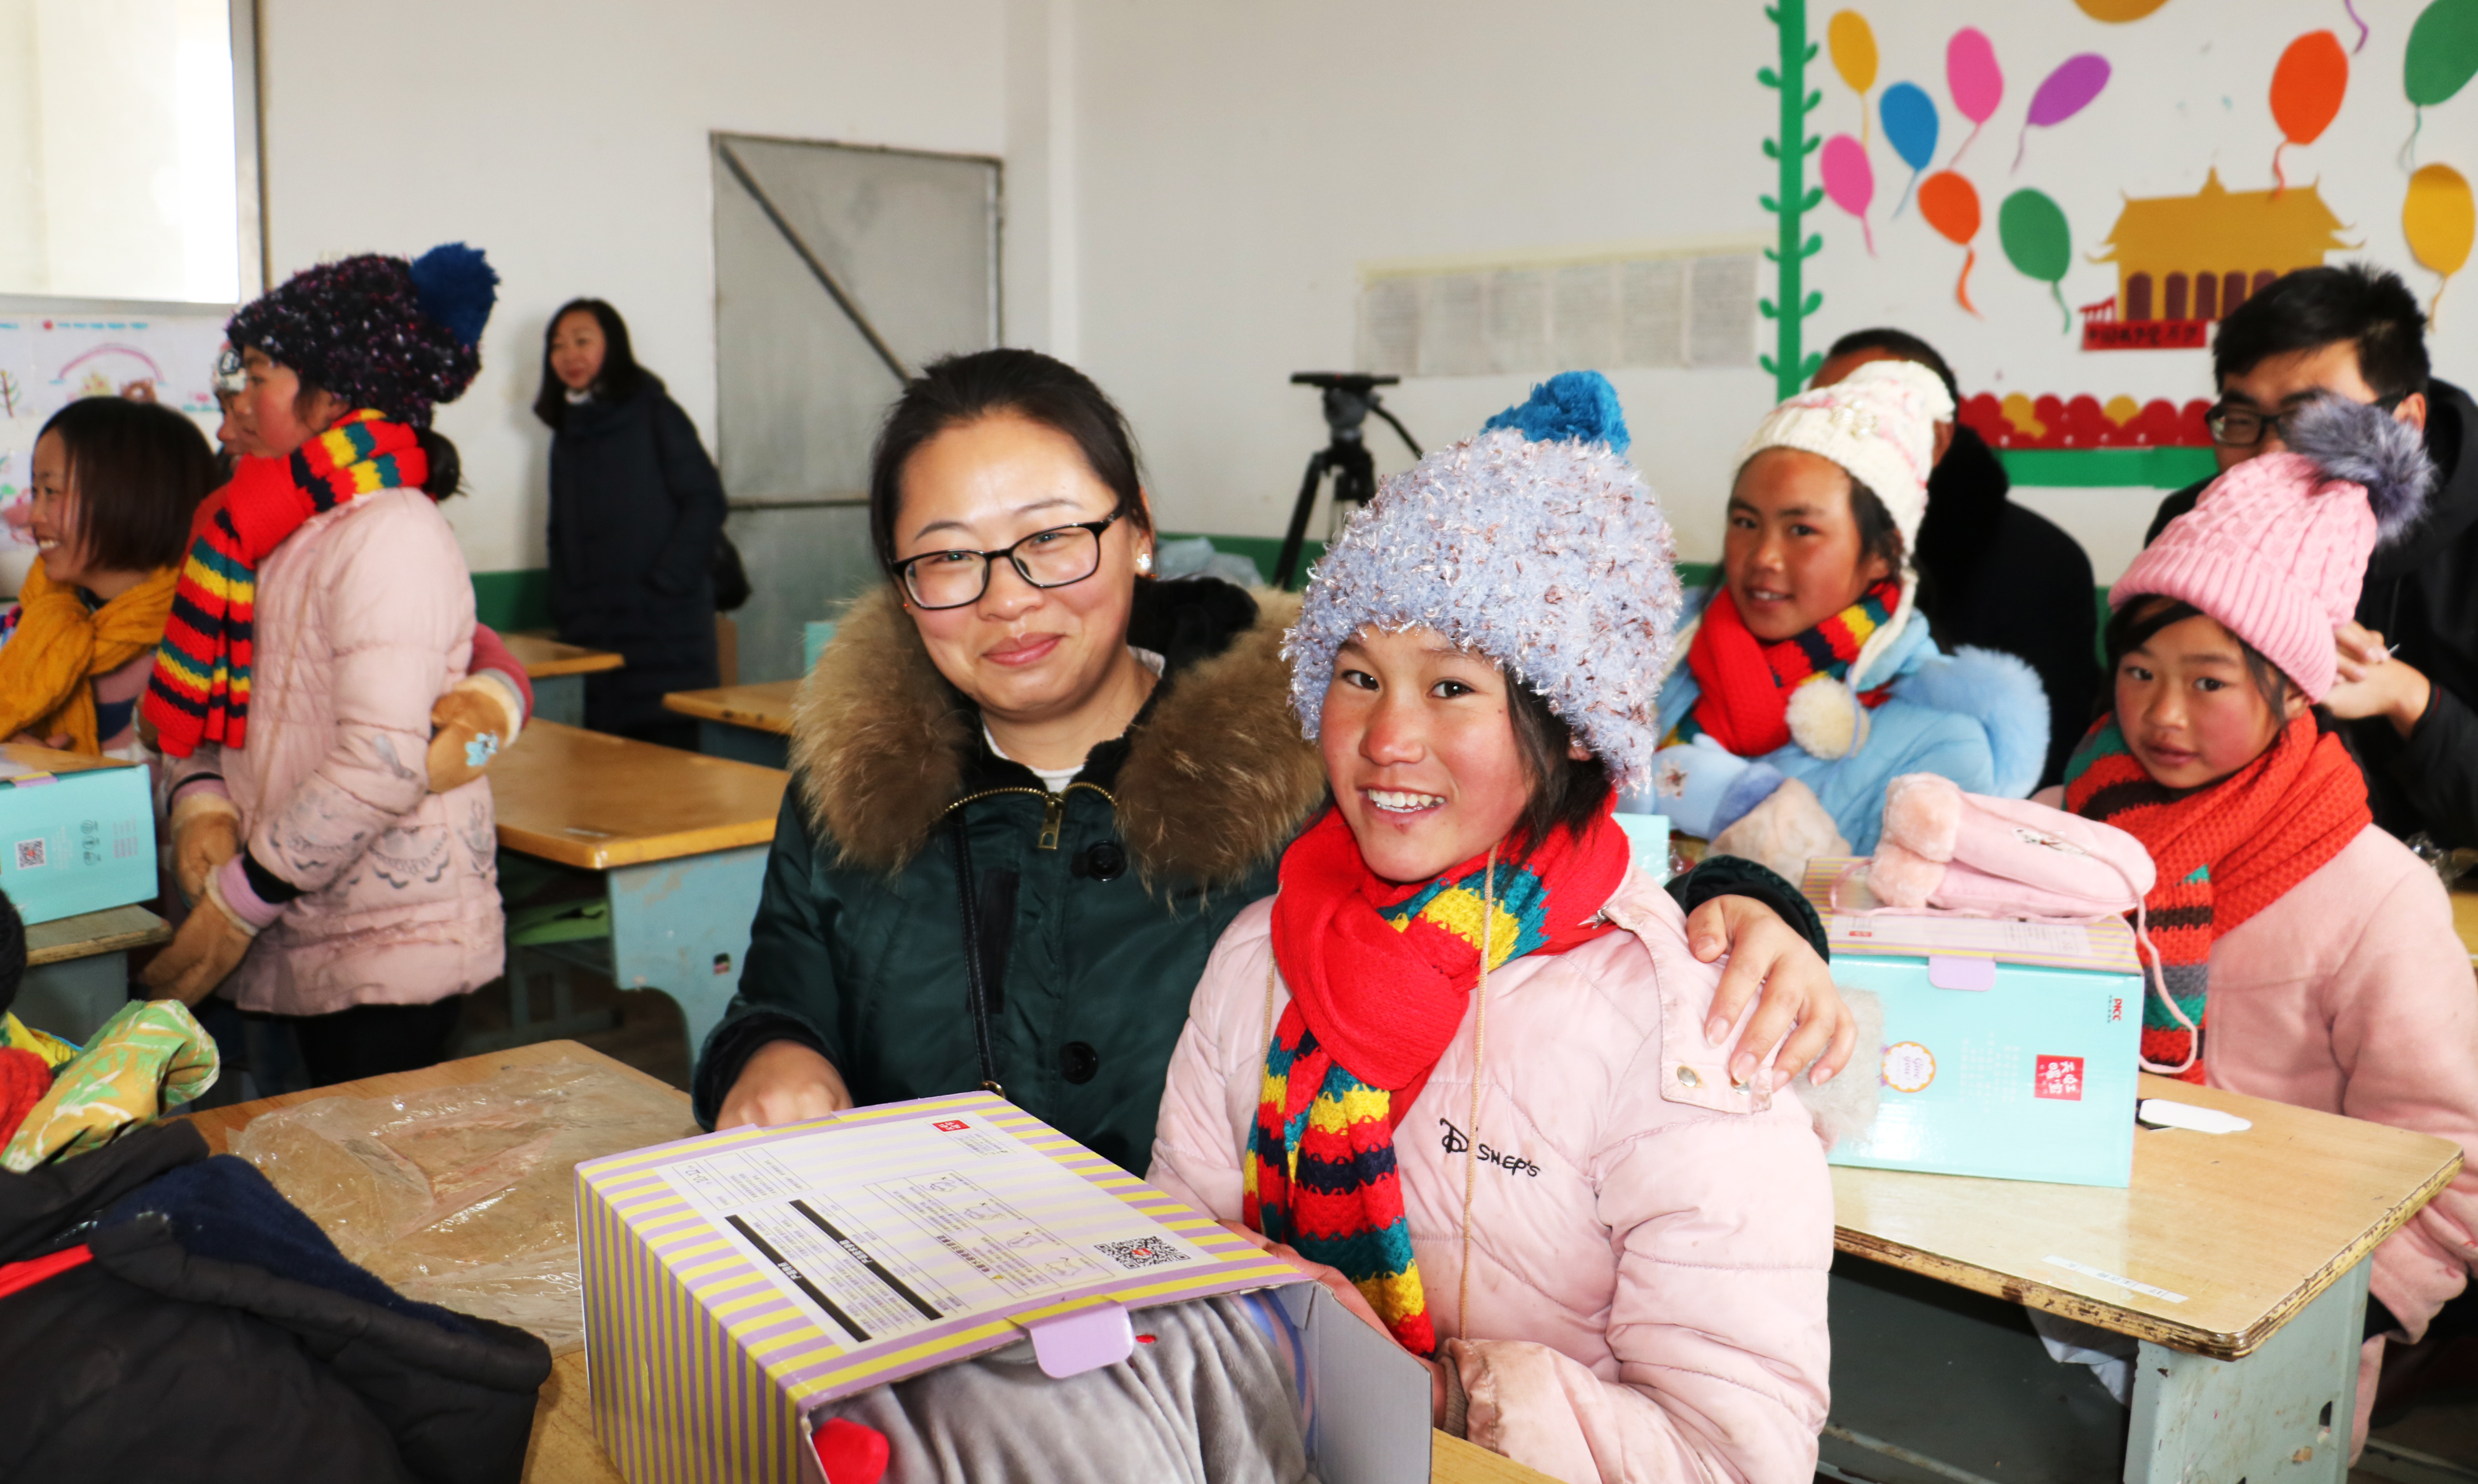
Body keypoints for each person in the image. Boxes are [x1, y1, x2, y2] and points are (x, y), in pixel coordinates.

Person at [693, 349, 1858, 1177]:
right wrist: (771, 1055)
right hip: (923, 1308)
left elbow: (1541, 855)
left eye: (1051, 537)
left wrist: (1741, 906)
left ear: (1138, 532)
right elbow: (783, 989)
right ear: (902, 582)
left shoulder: (1308, 756)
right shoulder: (853, 785)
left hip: (1216, 1338)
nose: (1007, 598)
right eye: (949, 557)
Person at [1150, 373, 1832, 1482]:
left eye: (1453, 686)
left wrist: (1437, 1399)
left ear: (1572, 727)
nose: (1386, 737)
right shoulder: (1257, 955)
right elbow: (1173, 1271)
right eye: (1357, 674)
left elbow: (1735, 1455)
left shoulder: (1685, 1030)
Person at [2062, 397, 2477, 1455]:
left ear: (2296, 691)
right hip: (2055, 1288)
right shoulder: (2071, 834)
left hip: (2268, 1362)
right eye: (2141, 672)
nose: (2162, 716)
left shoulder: (2375, 895)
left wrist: (2326, 1317)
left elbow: (2456, 1161)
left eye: (2209, 682)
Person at [138, 244, 509, 1087]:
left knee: (376, 1156)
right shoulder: (263, 530)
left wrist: (242, 899)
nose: (235, 398)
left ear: (335, 394)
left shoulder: (390, 531)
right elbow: (219, 705)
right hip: (303, 914)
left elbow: (381, 762)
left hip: (389, 933)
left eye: (257, 374)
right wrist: (202, 801)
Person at [1642, 361, 2048, 879]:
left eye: (1801, 530)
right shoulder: (1651, 656)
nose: (1763, 556)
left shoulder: (1943, 741)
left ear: (1883, 553)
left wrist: (1770, 827)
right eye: (1745, 522)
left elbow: (1917, 914)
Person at [2146, 265, 2478, 851]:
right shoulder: (2192, 528)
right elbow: (2130, 747)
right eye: (2241, 421)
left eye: (2312, 421)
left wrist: (2409, 699)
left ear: (2405, 422)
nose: (2270, 455)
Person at [1813, 328, 2099, 785]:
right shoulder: (1792, 546)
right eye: (1815, 410)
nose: (1825, 431)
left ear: (1936, 437)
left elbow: (2047, 759)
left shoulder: (2040, 563)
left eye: (1860, 413)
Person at [535, 299, 726, 748]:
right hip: (593, 632)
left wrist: (667, 581)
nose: (569, 355)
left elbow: (706, 500)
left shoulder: (656, 412)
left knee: (672, 758)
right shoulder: (567, 432)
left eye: (582, 341)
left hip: (665, 629)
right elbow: (560, 531)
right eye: (558, 346)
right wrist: (567, 603)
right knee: (604, 760)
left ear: (613, 346)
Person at [0, 398, 212, 757]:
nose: (34, 516)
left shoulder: (200, 644)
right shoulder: (31, 624)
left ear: (132, 498)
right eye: (35, 492)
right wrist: (12, 749)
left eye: (52, 492)